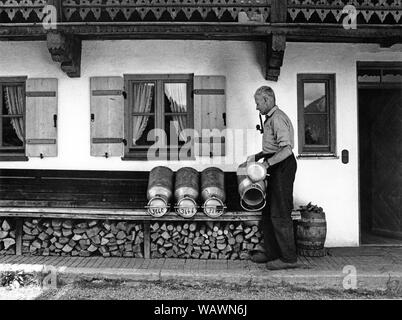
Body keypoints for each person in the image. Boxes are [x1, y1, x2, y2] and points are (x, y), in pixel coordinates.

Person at [247, 86, 299, 270]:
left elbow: (286, 149)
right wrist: (259, 155)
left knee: (280, 212)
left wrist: (266, 164)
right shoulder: (271, 118)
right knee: (268, 212)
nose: (256, 107)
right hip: (274, 165)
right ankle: (273, 253)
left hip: (282, 167)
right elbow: (274, 147)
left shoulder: (278, 119)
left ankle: (288, 258)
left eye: (258, 103)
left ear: (268, 100)